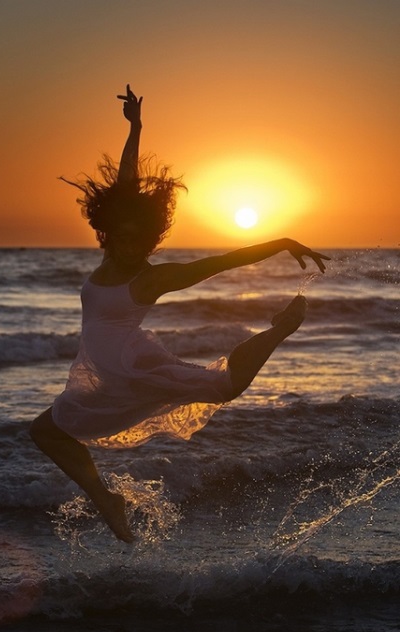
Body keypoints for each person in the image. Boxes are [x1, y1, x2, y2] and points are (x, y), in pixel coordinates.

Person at [30, 85, 330, 544]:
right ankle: (105, 498)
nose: (130, 245)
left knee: (221, 387)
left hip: (126, 363)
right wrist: (135, 128)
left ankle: (279, 331)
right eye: (122, 235)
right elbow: (126, 185)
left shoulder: (151, 278)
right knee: (45, 433)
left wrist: (281, 242)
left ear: (149, 239)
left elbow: (220, 263)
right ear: (107, 232)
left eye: (139, 239)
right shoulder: (112, 257)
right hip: (101, 367)